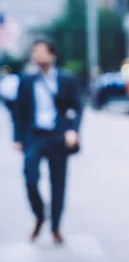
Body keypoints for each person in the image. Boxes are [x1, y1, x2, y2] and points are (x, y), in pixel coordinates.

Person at [13, 40, 83, 244]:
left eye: (42, 52)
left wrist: (73, 131)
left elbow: (77, 107)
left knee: (58, 184)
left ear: (52, 56)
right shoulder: (26, 80)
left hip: (58, 136)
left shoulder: (66, 79)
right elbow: (19, 112)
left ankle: (55, 226)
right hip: (34, 136)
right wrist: (18, 138)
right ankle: (39, 215)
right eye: (35, 52)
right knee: (30, 179)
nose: (38, 56)